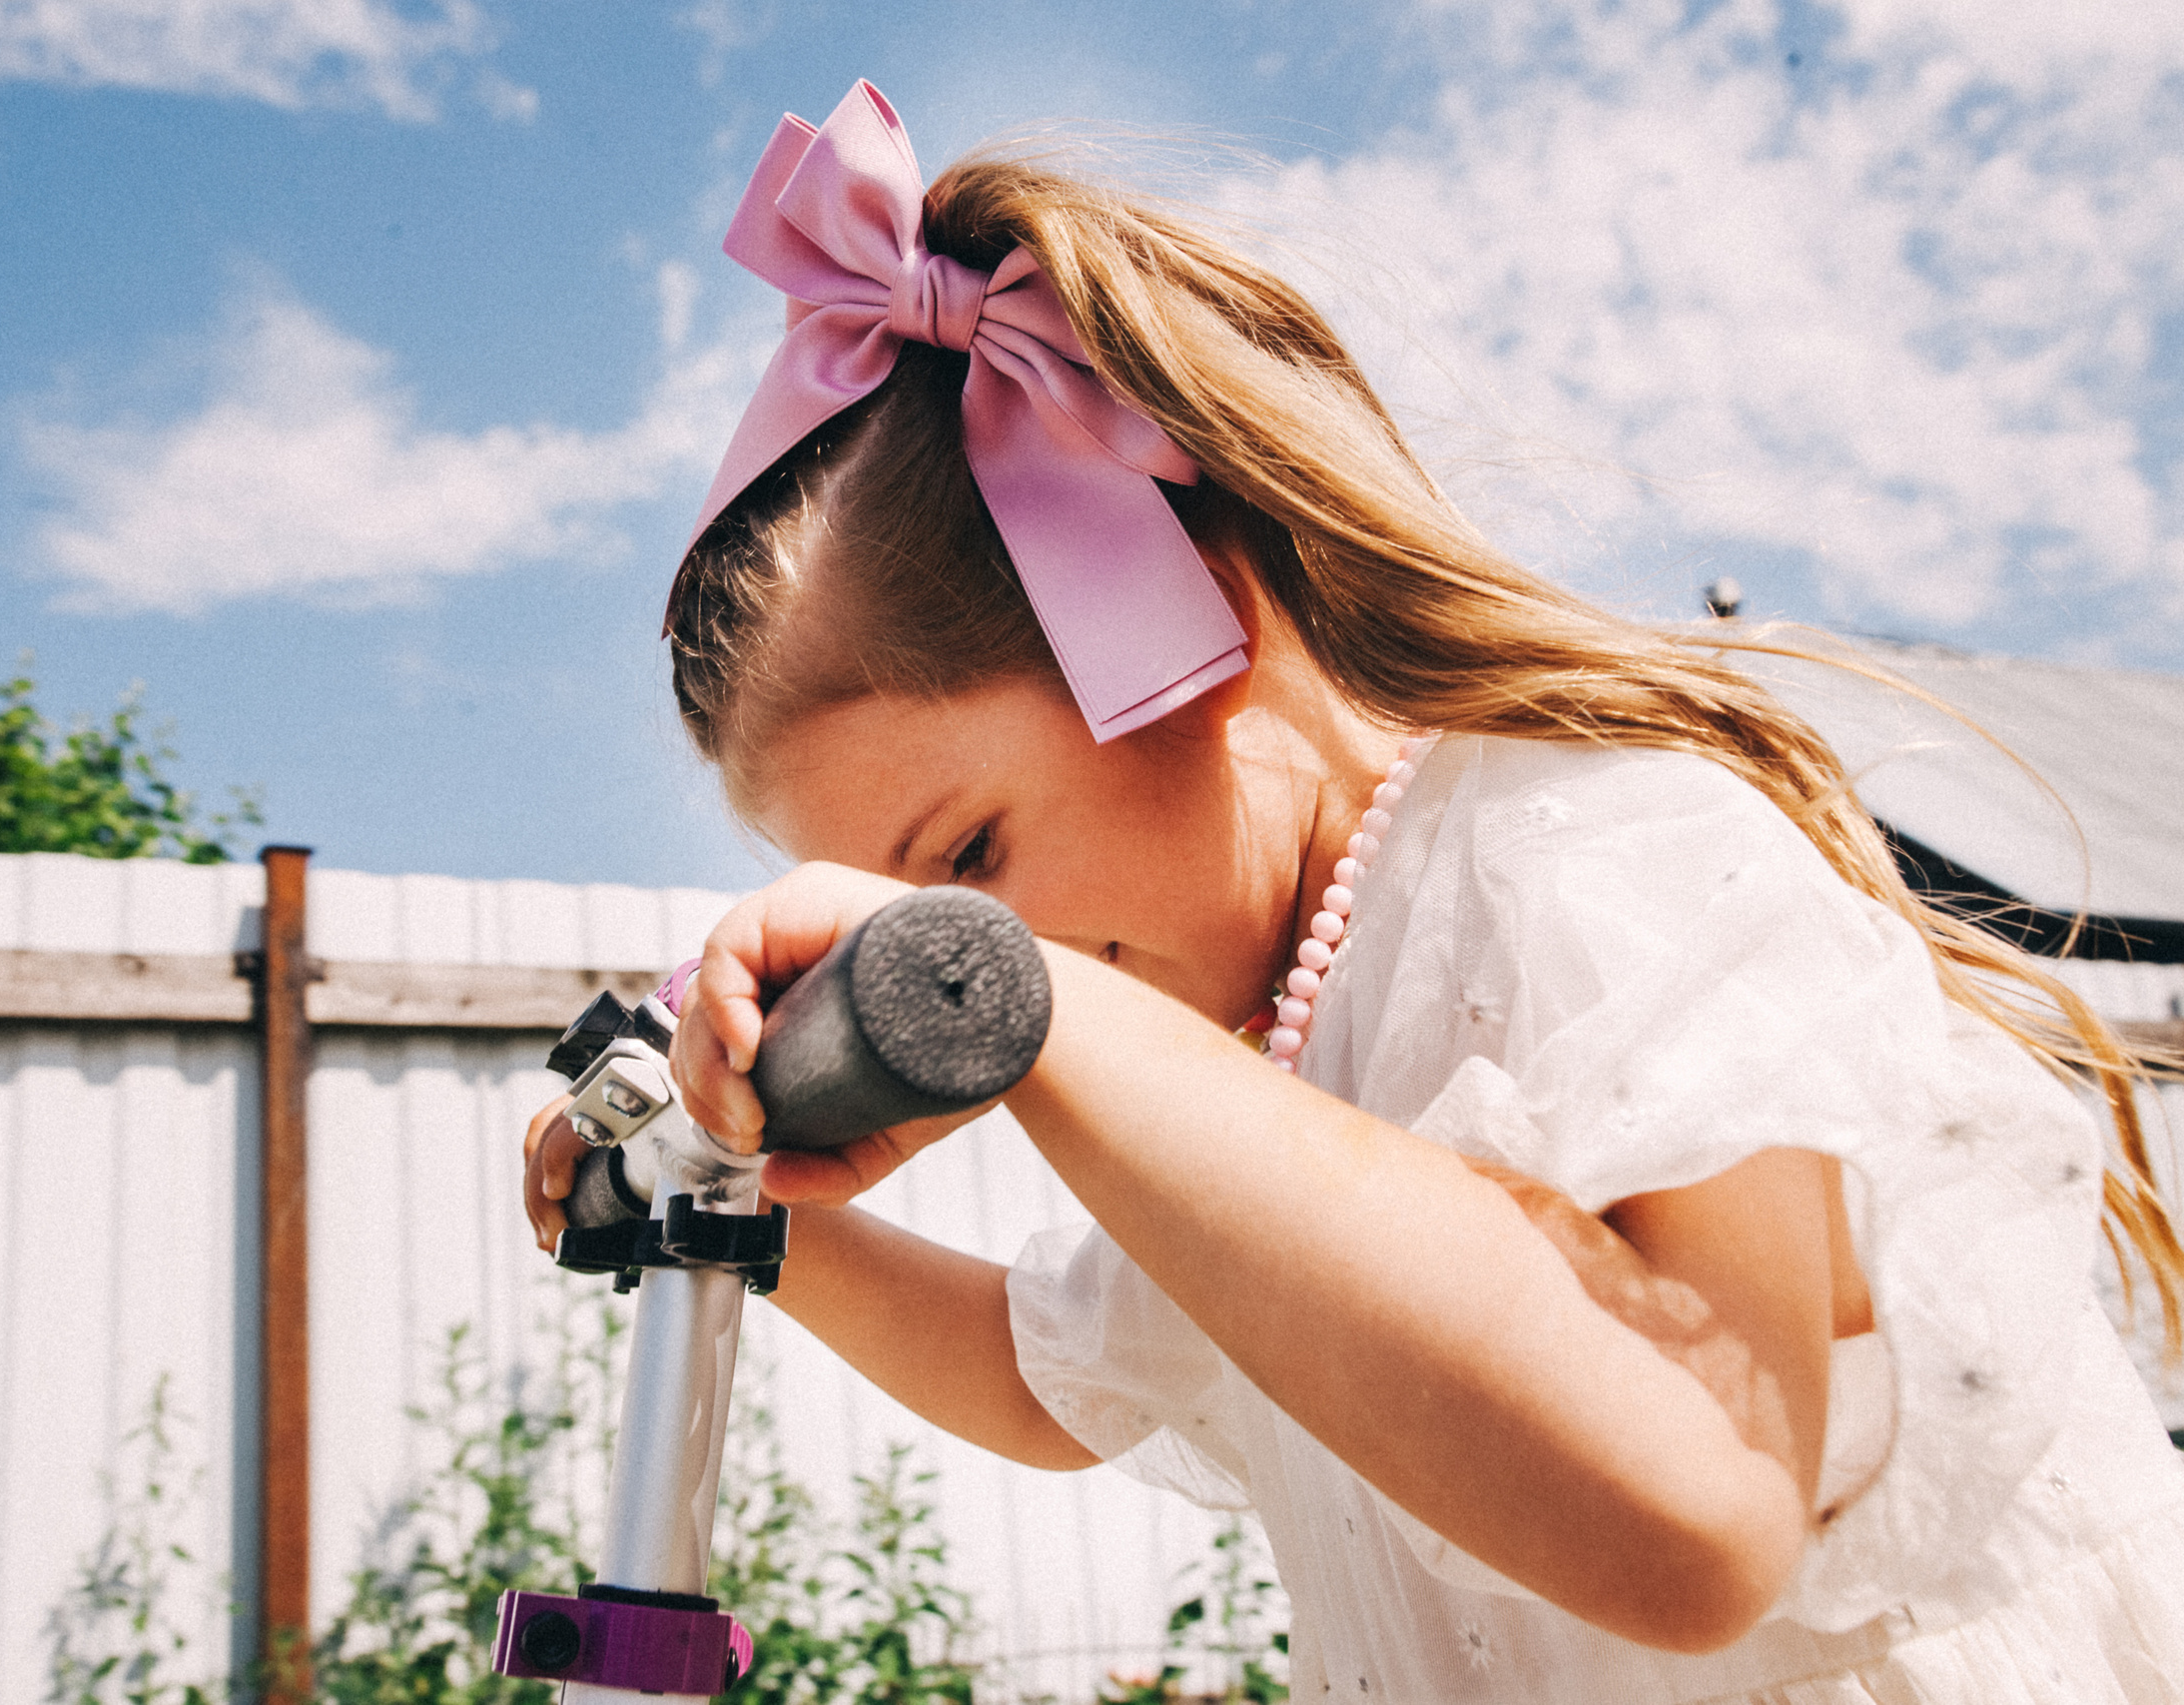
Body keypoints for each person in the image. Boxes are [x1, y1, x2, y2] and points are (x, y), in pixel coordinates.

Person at [524, 80, 2184, 1702]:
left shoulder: (1594, 851)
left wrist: (1061, 1017)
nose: (959, 959)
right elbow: (1043, 1382)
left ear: (1195, 609)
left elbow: (1707, 1515)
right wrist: (733, 1217)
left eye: (966, 861)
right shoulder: (1264, 1059)